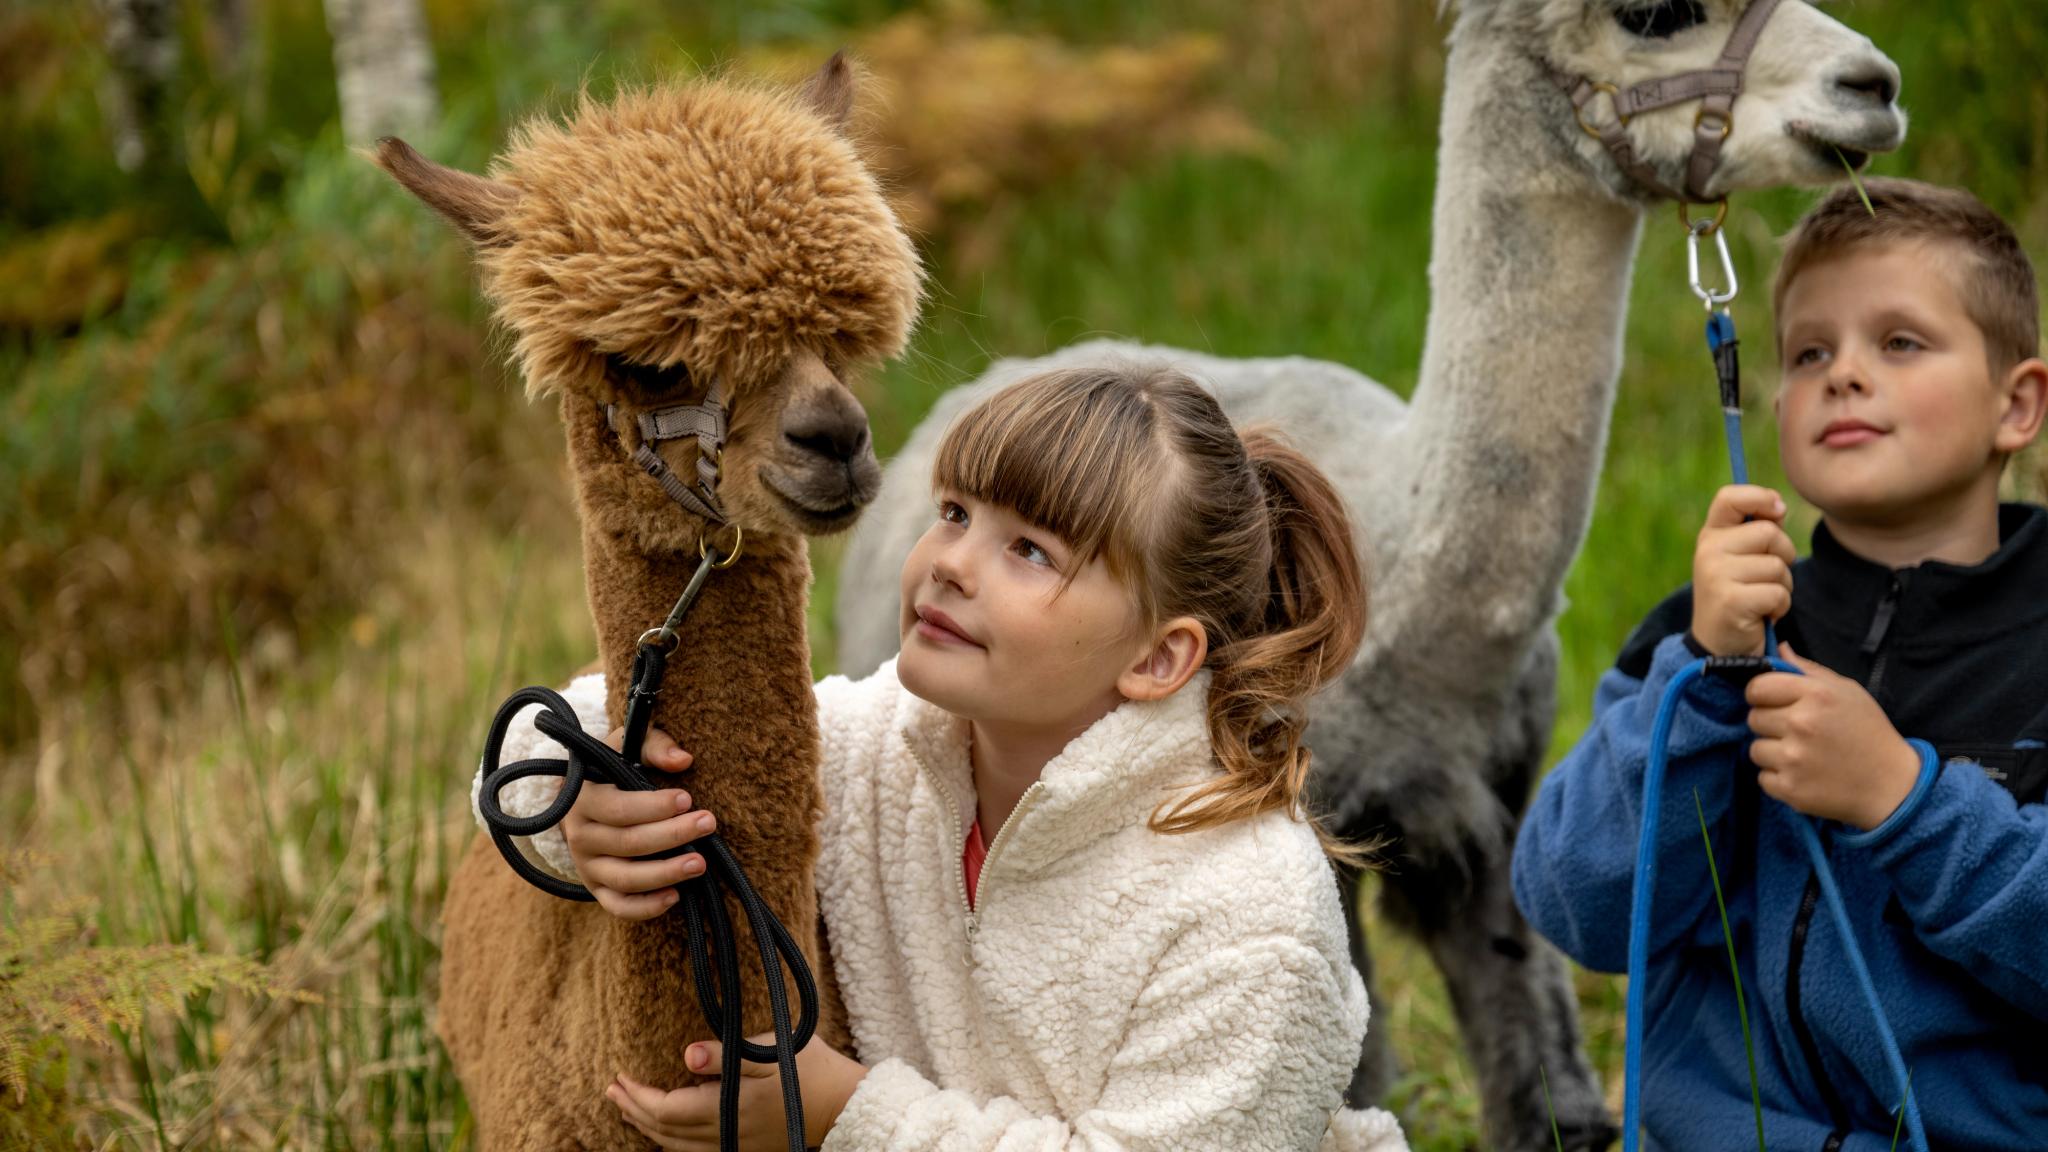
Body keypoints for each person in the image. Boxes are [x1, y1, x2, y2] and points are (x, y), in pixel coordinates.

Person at [482, 364, 1411, 1151]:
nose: (953, 562)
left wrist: (853, 1116)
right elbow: (608, 724)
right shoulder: (894, 748)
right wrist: (576, 791)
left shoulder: (1249, 916)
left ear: (1158, 658)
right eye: (957, 511)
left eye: (1032, 552)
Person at [1513, 177, 2048, 1150]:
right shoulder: (1703, 636)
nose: (1842, 373)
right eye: (1809, 352)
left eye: (1898, 342)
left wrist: (1904, 801)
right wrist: (1705, 678)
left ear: (2015, 405)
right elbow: (1575, 903)